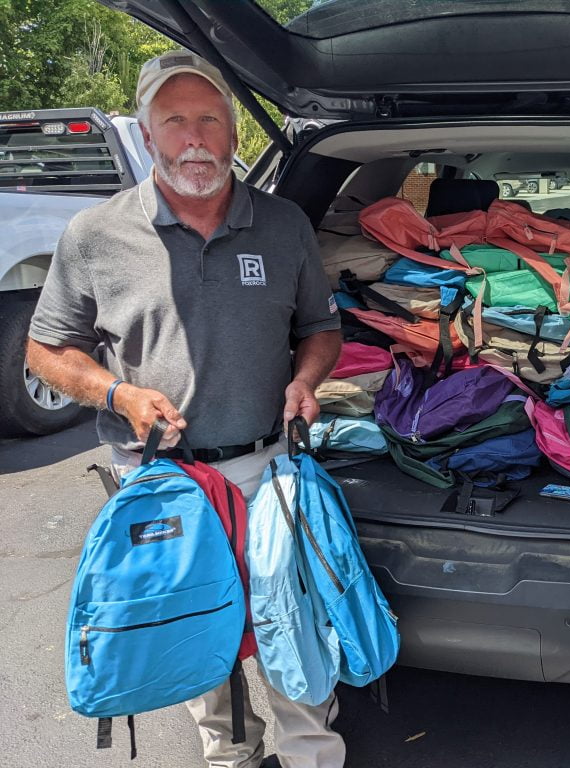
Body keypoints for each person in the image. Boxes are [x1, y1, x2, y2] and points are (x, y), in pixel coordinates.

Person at [26, 51, 344, 768]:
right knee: (196, 627)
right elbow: (46, 353)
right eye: (175, 121)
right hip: (160, 480)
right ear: (146, 135)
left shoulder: (285, 223)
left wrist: (307, 379)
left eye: (210, 119)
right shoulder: (95, 234)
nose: (194, 137)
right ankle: (231, 756)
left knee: (293, 629)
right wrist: (118, 393)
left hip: (269, 467)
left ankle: (312, 755)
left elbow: (321, 328)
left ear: (234, 134)